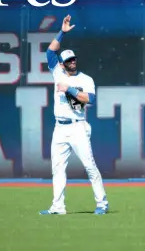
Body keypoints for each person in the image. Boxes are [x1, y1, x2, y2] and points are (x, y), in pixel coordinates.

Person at [39, 15, 109, 215]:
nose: (72, 62)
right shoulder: (57, 72)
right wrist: (62, 32)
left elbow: (91, 99)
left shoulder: (85, 79)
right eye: (68, 60)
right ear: (61, 64)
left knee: (89, 165)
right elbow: (49, 51)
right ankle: (58, 207)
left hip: (77, 126)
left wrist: (68, 89)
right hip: (59, 128)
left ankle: (102, 203)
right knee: (57, 168)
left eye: (73, 59)